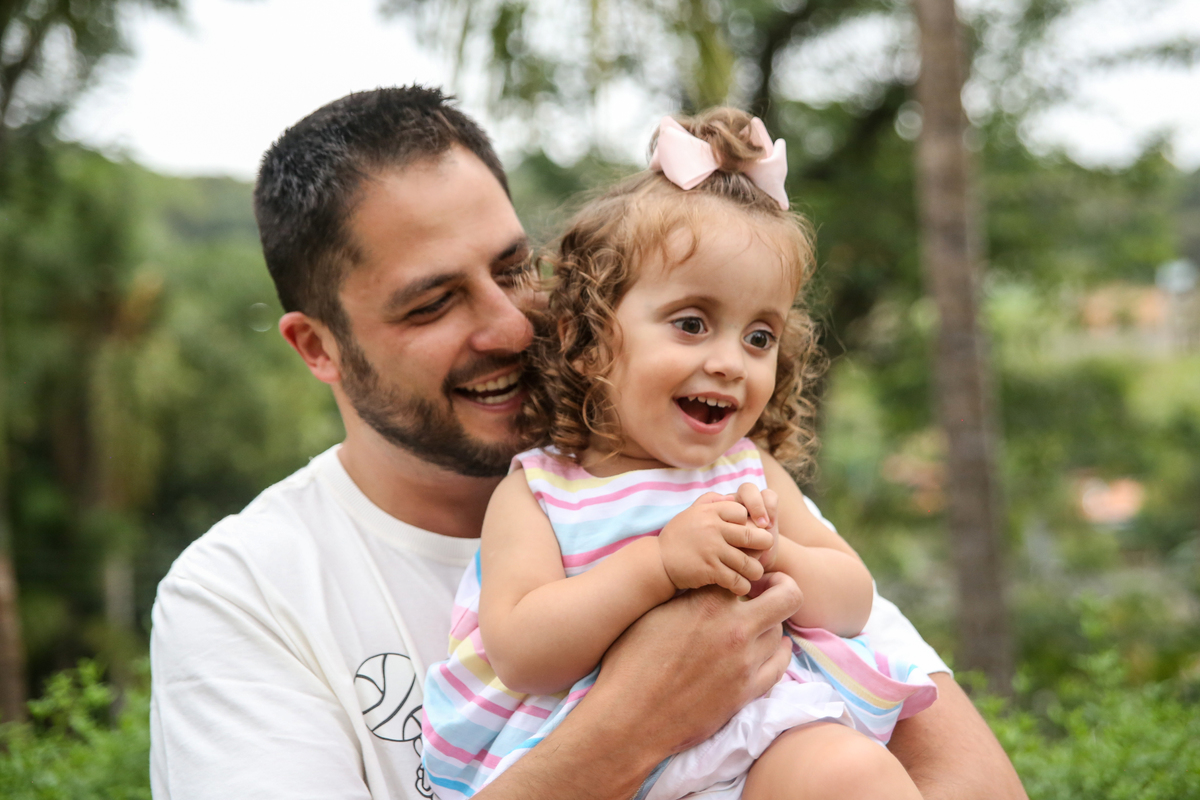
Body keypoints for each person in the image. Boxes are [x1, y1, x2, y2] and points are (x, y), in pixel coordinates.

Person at [149, 86, 1027, 800]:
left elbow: (972, 781)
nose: (508, 324)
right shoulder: (243, 595)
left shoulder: (704, 470)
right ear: (318, 347)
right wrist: (632, 723)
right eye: (432, 302)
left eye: (511, 269)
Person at [421, 108, 937, 800]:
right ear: (590, 336)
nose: (730, 362)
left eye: (760, 337)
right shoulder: (542, 491)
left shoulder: (749, 472)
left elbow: (852, 600)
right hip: (601, 768)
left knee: (853, 775)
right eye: (692, 324)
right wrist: (659, 564)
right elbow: (520, 649)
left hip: (763, 748)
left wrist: (772, 552)